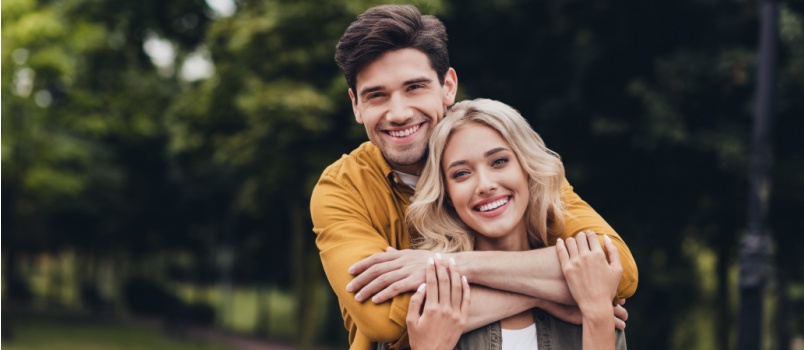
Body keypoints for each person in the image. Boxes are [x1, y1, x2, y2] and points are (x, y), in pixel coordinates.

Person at [310, 4, 638, 349]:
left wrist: (447, 265)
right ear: (356, 105)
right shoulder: (342, 188)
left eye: (415, 87)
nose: (399, 113)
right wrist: (545, 294)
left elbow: (616, 271)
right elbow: (388, 317)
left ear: (448, 86)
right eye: (377, 95)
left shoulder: (504, 152)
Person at [405, 98, 626, 349]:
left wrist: (597, 314)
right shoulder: (424, 306)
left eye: (499, 161)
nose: (485, 185)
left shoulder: (587, 280)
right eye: (462, 173)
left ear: (527, 168)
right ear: (447, 196)